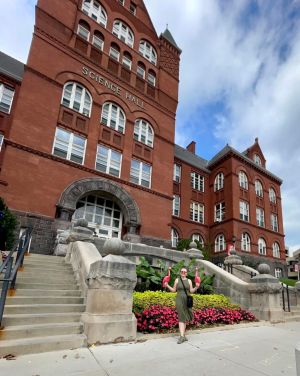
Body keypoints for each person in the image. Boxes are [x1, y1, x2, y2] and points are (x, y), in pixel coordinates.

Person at [164, 267, 200, 344]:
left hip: (187, 300)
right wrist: (167, 286)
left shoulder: (189, 281)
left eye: (185, 272)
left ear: (186, 273)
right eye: (182, 271)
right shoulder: (177, 280)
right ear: (180, 272)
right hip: (179, 299)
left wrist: (196, 287)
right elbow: (174, 290)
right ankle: (181, 336)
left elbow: (191, 291)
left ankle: (183, 335)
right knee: (181, 316)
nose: (183, 273)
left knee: (186, 316)